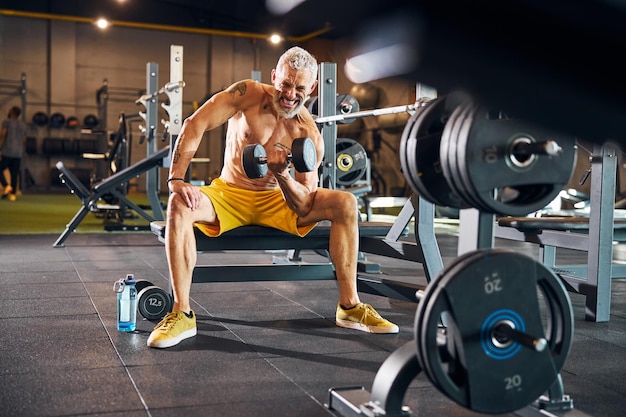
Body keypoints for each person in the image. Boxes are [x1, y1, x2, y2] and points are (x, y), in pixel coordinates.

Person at [147, 46, 399, 349]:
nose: (291, 94)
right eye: (285, 84)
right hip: (229, 193)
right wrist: (176, 179)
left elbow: (305, 202)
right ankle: (181, 313)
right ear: (274, 76)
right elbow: (195, 124)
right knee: (179, 204)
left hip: (279, 200)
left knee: (345, 201)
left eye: (300, 88)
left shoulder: (308, 134)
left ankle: (350, 307)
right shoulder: (247, 94)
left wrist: (282, 175)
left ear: (313, 88)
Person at [0, 106, 27, 201]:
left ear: (11, 112)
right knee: (14, 173)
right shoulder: (23, 125)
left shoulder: (6, 122)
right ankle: (13, 194)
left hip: (7, 151)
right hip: (18, 152)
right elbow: (24, 139)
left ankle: (6, 186)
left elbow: (3, 134)